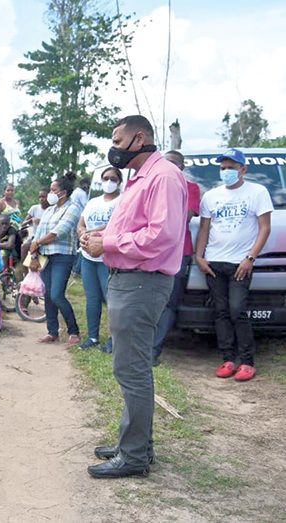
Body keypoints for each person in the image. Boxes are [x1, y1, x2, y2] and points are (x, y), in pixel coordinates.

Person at [81, 115, 187, 479]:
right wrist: (101, 233)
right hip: (130, 279)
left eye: (117, 138)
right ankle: (136, 444)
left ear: (138, 138)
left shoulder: (163, 176)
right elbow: (137, 226)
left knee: (132, 369)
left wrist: (108, 242)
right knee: (129, 367)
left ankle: (134, 455)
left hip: (143, 281)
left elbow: (162, 235)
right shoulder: (140, 177)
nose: (112, 147)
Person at [195, 148, 273, 382]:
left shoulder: (257, 192)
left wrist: (250, 258)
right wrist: (199, 257)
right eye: (223, 168)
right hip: (214, 263)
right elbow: (204, 229)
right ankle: (227, 358)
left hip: (240, 263)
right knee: (220, 312)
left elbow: (265, 228)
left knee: (237, 310)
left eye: (231, 167)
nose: (226, 171)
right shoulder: (211, 196)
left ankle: (247, 361)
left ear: (243, 169)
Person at [152, 150, 201, 365]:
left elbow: (183, 216)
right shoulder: (153, 184)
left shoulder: (191, 188)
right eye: (165, 162)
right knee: (149, 300)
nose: (168, 167)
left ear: (181, 167)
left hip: (180, 252)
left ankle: (154, 351)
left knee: (169, 303)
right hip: (152, 251)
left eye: (173, 163)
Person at [29, 172, 82, 345]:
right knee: (48, 294)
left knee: (57, 294)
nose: (50, 193)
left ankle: (74, 331)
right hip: (45, 256)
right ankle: (52, 332)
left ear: (63, 192)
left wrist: (37, 243)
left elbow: (58, 232)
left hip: (63, 256)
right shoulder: (49, 210)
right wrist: (34, 255)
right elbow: (38, 233)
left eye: (53, 190)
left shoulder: (73, 208)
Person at [76, 167, 122, 351]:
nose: (108, 181)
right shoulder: (93, 202)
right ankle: (93, 337)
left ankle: (114, 338)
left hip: (108, 257)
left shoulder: (122, 201)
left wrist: (94, 232)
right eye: (105, 178)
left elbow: (116, 223)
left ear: (119, 181)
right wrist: (83, 234)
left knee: (111, 299)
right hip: (88, 256)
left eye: (112, 178)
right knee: (92, 298)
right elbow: (81, 223)